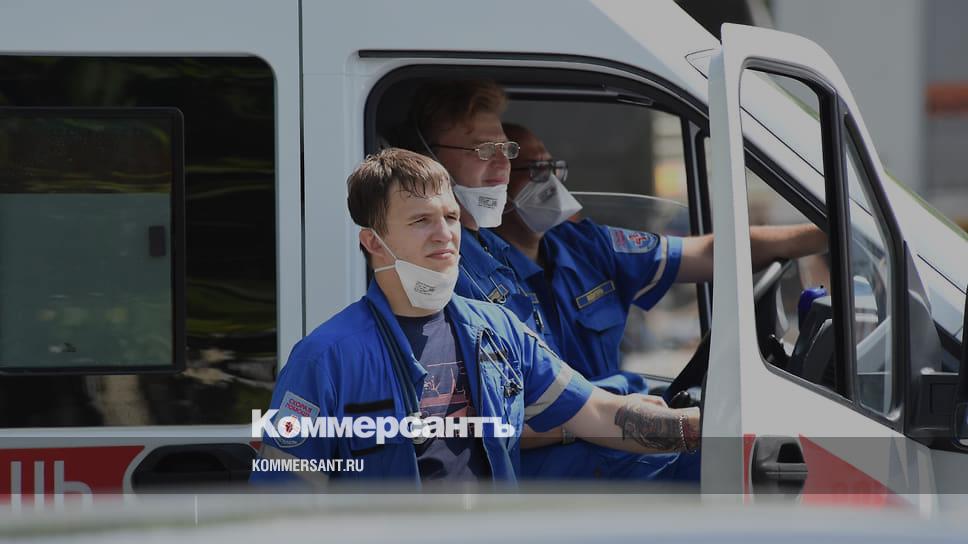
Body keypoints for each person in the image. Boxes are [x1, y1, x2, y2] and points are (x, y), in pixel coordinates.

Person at [249, 148, 700, 487]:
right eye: (420, 221)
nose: (444, 234)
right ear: (372, 242)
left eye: (449, 217)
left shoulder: (498, 330)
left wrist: (702, 430)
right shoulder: (325, 357)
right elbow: (285, 500)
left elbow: (599, 413)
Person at [493, 121, 828, 478]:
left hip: (624, 426)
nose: (550, 182)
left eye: (552, 167)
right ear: (497, 179)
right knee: (735, 463)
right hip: (569, 458)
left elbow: (710, 253)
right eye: (535, 169)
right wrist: (613, 423)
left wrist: (828, 231)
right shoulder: (475, 277)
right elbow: (492, 421)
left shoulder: (586, 247)